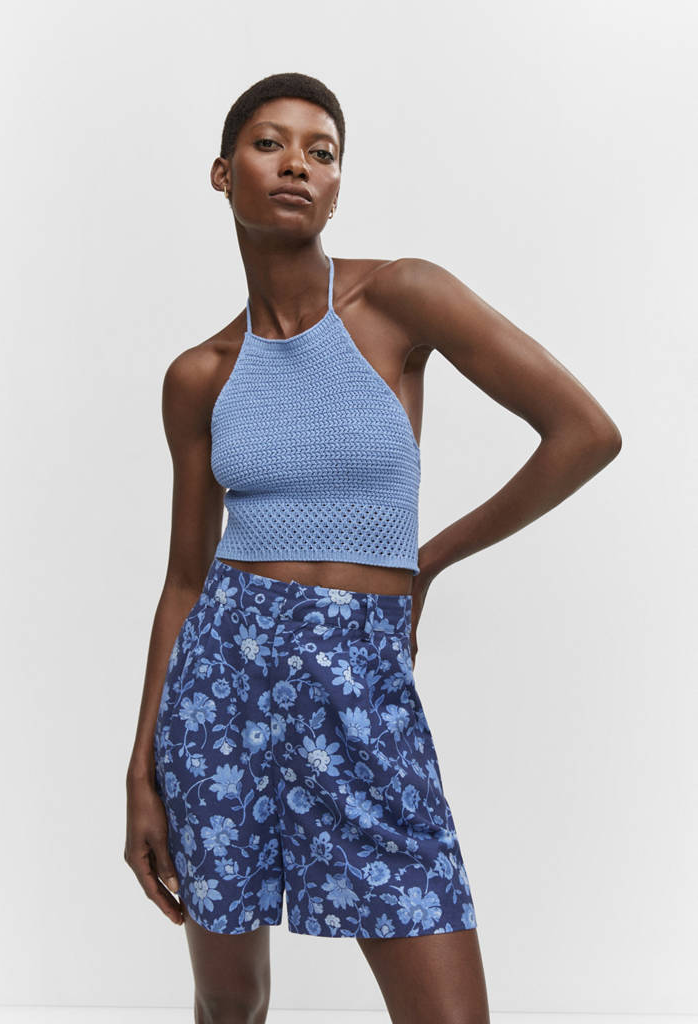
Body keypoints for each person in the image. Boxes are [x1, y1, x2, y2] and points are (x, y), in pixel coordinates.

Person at [124, 72, 622, 1024]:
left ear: (337, 186)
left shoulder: (398, 298)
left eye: (322, 152)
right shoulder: (200, 375)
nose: (297, 165)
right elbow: (183, 582)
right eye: (270, 144)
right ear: (223, 173)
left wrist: (426, 561)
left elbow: (584, 434)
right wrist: (140, 774)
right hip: (220, 695)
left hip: (361, 691)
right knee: (230, 1002)